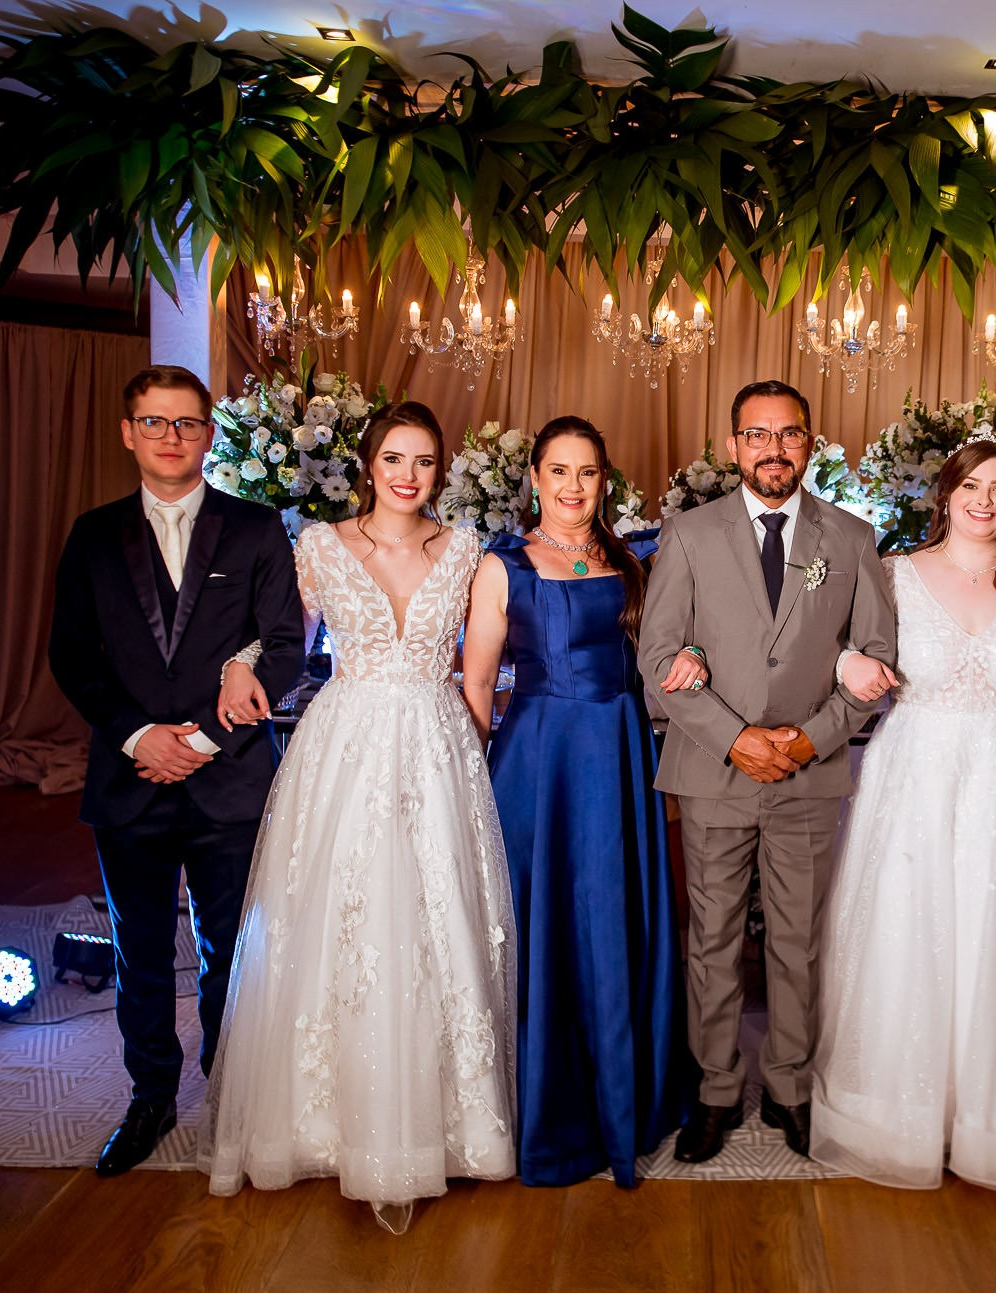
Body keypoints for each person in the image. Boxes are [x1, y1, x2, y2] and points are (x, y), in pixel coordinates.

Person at [201, 400, 516, 1230]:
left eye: (423, 461)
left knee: (431, 919)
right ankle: (323, 1123)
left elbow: (477, 678)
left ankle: (446, 1125)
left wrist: (468, 761)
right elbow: (279, 639)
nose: (408, 476)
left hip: (438, 744)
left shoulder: (467, 552)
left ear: (438, 471)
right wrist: (238, 666)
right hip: (343, 744)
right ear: (369, 464)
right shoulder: (319, 547)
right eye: (394, 459)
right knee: (337, 917)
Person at [812, 439, 996, 1193]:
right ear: (945, 494)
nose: (983, 501)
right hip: (914, 782)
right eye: (970, 485)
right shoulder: (893, 574)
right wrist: (850, 665)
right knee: (913, 936)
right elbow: (833, 649)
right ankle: (897, 1116)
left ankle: (993, 1123)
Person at [49, 365, 305, 1178]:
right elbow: (73, 656)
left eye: (186, 423)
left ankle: (230, 1092)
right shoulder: (91, 535)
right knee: (140, 950)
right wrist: (137, 737)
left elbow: (286, 641)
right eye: (154, 422)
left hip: (228, 776)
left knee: (235, 948)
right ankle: (150, 1094)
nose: (170, 436)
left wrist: (199, 737)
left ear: (208, 434)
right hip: (129, 779)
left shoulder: (256, 527)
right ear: (129, 431)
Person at [638, 379, 899, 1163]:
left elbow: (878, 662)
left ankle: (790, 1087)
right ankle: (715, 1089)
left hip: (808, 776)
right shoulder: (686, 535)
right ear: (732, 446)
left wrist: (809, 740)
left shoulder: (853, 540)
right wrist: (734, 738)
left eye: (789, 434)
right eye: (756, 435)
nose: (773, 449)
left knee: (799, 941)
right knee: (710, 938)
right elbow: (656, 659)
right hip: (713, 773)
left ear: (810, 444)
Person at [461, 416, 703, 1187]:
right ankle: (551, 1116)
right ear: (534, 477)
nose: (573, 487)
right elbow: (476, 684)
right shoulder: (504, 567)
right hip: (539, 759)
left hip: (622, 750)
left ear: (605, 481)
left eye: (588, 473)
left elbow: (667, 651)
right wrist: (473, 780)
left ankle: (628, 1098)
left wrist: (692, 654)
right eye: (559, 471)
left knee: (618, 916)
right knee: (543, 928)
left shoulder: (633, 562)